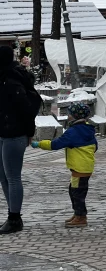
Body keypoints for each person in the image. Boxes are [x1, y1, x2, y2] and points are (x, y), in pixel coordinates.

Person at [31, 102, 97, 228]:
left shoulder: (73, 132)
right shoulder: (88, 129)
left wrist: (39, 144)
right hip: (85, 167)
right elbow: (95, 146)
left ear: (75, 116)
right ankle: (78, 214)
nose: (68, 116)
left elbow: (56, 144)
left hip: (79, 168)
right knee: (74, 191)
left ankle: (81, 217)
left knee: (77, 193)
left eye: (70, 113)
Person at [0, 46, 41, 234]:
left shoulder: (12, 82)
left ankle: (14, 218)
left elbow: (27, 109)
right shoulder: (4, 79)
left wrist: (28, 131)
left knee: (13, 177)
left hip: (14, 134)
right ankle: (12, 213)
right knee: (4, 176)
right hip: (3, 133)